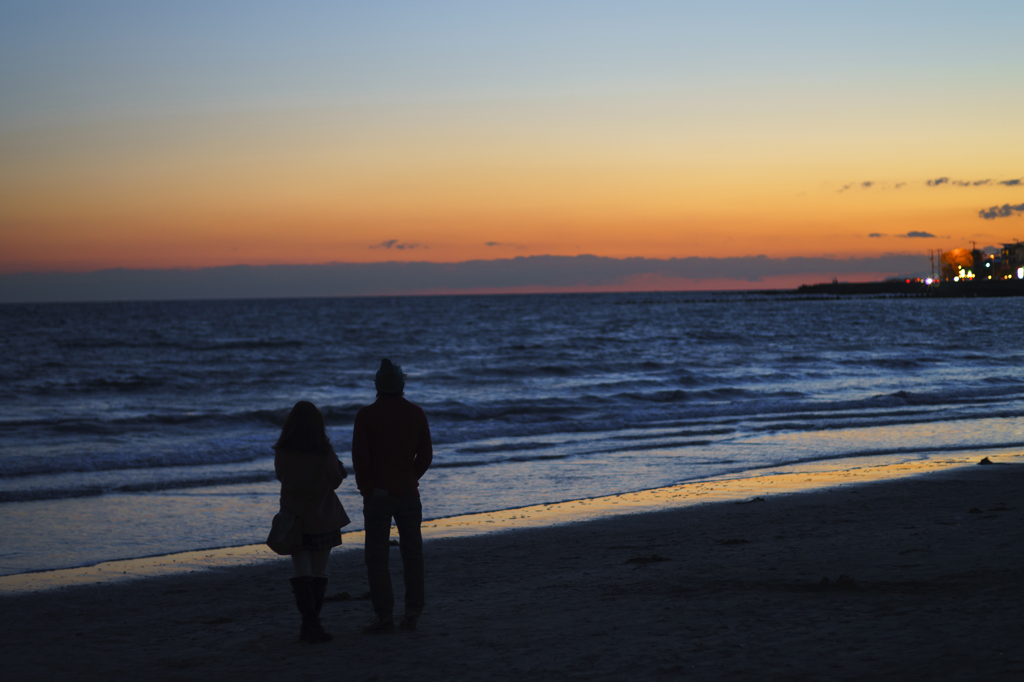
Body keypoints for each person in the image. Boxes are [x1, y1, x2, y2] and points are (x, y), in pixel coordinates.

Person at [352, 358, 433, 633]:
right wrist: (410, 477)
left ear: (377, 386)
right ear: (402, 385)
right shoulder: (416, 413)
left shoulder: (366, 416)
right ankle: (412, 613)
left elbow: (360, 460)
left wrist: (367, 489)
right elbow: (425, 456)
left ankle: (384, 615)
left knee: (376, 556)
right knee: (413, 554)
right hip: (407, 492)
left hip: (378, 494)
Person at [274, 400, 350, 643]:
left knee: (302, 573)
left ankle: (309, 625)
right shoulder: (324, 450)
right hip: (323, 516)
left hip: (293, 518)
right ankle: (312, 625)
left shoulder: (283, 450)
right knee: (318, 573)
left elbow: (281, 477)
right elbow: (336, 479)